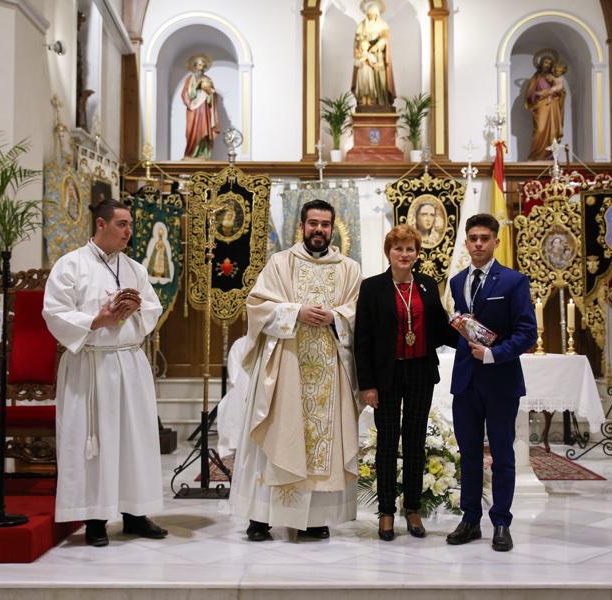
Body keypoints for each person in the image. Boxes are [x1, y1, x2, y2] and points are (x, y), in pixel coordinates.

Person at [231, 199, 362, 542]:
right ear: (302, 226)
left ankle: (313, 517)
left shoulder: (349, 268)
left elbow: (357, 310)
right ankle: (261, 518)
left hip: (329, 371)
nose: (319, 229)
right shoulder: (280, 263)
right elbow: (257, 306)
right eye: (313, 223)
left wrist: (336, 317)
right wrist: (295, 312)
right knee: (279, 433)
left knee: (321, 442)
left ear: (333, 228)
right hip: (286, 365)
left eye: (325, 224)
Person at [43, 199, 168, 547]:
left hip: (128, 361)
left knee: (134, 440)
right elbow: (53, 313)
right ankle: (95, 519)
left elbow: (153, 308)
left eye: (130, 225)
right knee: (92, 444)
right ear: (101, 224)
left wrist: (135, 308)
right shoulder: (71, 266)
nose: (129, 231)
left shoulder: (134, 269)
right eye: (122, 224)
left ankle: (135, 514)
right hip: (90, 365)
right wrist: (97, 320)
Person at [354, 225, 457, 541]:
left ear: (417, 253)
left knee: (415, 441)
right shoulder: (372, 287)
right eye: (398, 249)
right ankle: (386, 511)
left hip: (420, 371)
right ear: (389, 252)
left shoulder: (427, 285)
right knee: (386, 442)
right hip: (386, 376)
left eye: (410, 249)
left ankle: (412, 508)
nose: (404, 254)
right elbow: (363, 339)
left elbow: (441, 329)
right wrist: (367, 384)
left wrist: (471, 337)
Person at [446, 213, 537, 551]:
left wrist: (494, 353)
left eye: (485, 238)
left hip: (500, 381)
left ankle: (501, 522)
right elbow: (463, 325)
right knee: (468, 454)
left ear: (496, 241)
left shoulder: (513, 281)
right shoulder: (457, 282)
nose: (479, 244)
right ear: (467, 242)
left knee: (501, 455)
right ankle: (470, 519)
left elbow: (528, 333)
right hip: (466, 382)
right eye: (473, 238)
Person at [351, 0, 396, 110]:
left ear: (377, 14)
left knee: (381, 79)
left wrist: (376, 46)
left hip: (378, 55)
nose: (371, 17)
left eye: (373, 15)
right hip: (365, 56)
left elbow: (385, 39)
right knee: (366, 80)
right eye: (369, 15)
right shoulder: (362, 25)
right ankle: (368, 101)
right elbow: (357, 42)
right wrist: (362, 46)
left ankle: (382, 101)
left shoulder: (383, 25)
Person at [181, 53, 221, 159]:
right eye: (199, 65)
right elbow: (185, 94)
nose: (201, 67)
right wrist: (196, 88)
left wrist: (210, 92)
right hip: (193, 108)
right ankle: (190, 154)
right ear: (194, 66)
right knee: (191, 131)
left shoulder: (208, 79)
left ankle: (203, 153)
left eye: (203, 65)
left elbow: (213, 94)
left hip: (204, 108)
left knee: (204, 129)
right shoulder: (189, 79)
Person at [524, 52, 563, 160]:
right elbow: (530, 93)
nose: (547, 65)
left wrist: (556, 93)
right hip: (541, 106)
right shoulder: (535, 78)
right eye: (545, 62)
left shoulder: (553, 77)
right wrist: (537, 94)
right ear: (541, 63)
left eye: (550, 63)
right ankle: (536, 156)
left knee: (553, 132)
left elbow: (561, 92)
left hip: (552, 107)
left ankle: (550, 157)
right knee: (540, 130)